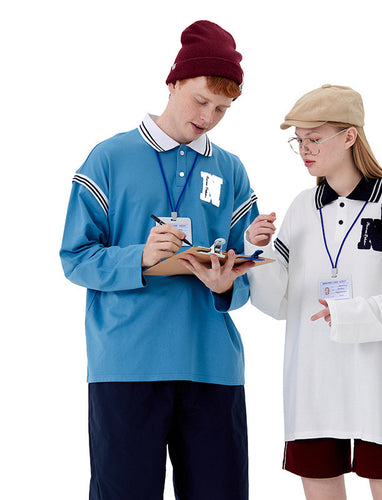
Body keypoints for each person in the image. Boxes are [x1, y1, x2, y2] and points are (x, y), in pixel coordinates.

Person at [60, 20, 258, 500]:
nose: (208, 117)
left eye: (222, 109)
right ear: (173, 82)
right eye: (201, 101)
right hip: (127, 365)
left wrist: (228, 284)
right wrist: (140, 257)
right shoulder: (109, 158)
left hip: (212, 365)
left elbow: (246, 269)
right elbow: (75, 257)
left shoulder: (230, 169)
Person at [245, 85, 382, 500]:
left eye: (314, 139)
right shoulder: (302, 207)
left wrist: (353, 315)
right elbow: (278, 303)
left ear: (350, 136)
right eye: (298, 141)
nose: (304, 150)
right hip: (312, 383)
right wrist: (256, 250)